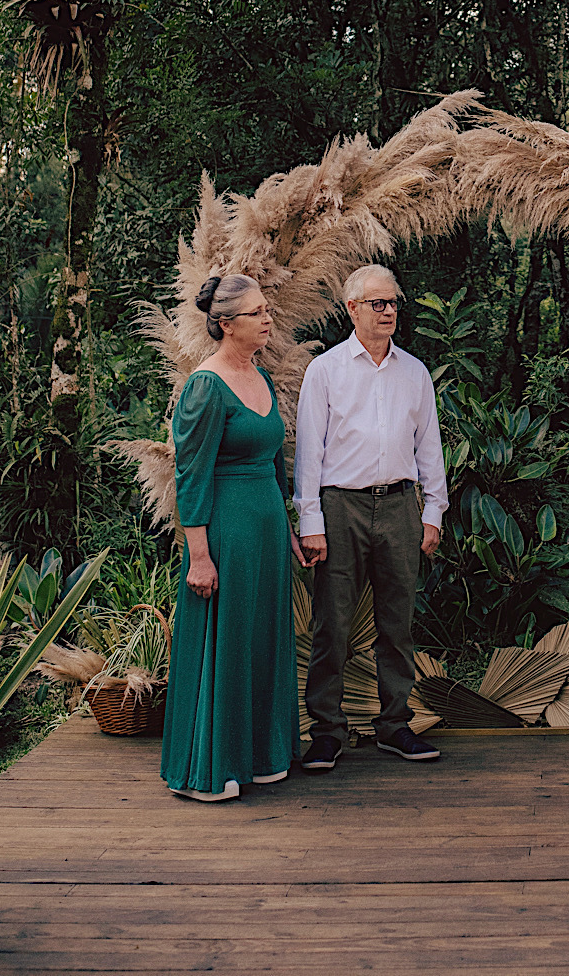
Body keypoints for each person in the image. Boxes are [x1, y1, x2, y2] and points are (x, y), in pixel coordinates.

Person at [294, 264, 449, 767]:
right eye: (377, 303)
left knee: (398, 622)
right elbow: (309, 452)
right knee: (332, 623)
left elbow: (429, 445)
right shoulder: (326, 370)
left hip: (401, 506)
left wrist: (433, 510)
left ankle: (395, 725)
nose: (388, 312)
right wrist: (311, 522)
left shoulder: (414, 372)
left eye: (393, 303)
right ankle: (326, 731)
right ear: (352, 309)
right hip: (342, 507)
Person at [160, 272, 306, 801]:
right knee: (227, 640)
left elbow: (273, 463)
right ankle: (212, 766)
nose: (268, 318)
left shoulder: (260, 376)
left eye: (267, 309)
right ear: (225, 324)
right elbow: (191, 476)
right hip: (226, 531)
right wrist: (199, 556)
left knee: (262, 638)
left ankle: (261, 755)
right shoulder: (205, 385)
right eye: (257, 312)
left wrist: (288, 530)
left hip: (266, 532)